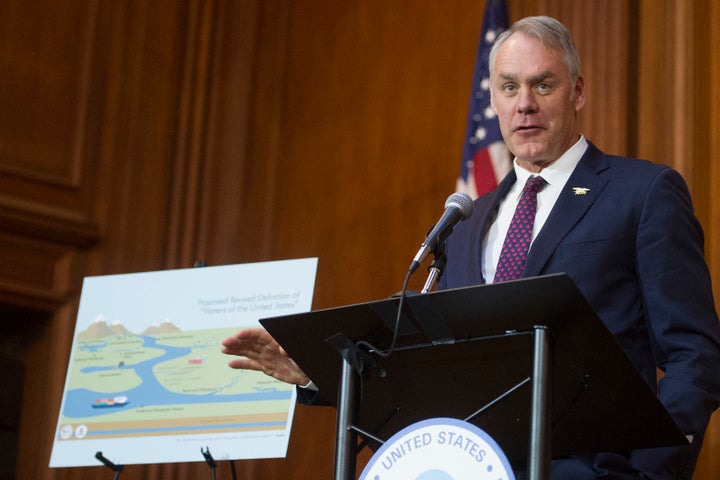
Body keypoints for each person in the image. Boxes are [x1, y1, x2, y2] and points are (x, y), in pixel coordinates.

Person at [222, 16, 720, 479]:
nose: (524, 103)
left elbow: (694, 354)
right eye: (509, 87)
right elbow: (422, 371)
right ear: (495, 102)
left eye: (542, 84)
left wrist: (649, 472)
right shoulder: (465, 221)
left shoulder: (643, 192)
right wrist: (318, 375)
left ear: (578, 92)